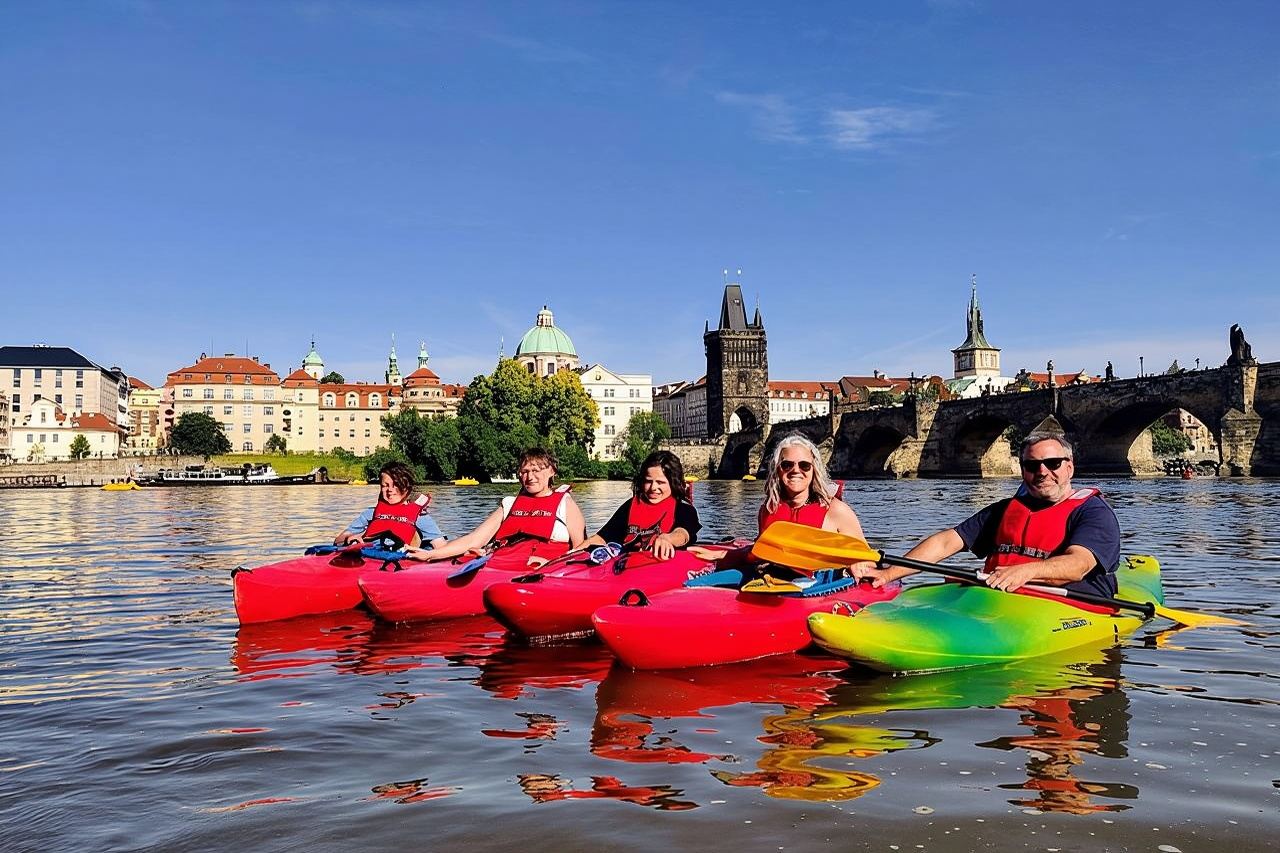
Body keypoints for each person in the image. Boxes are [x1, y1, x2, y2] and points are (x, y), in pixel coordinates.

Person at [853, 433, 1120, 597]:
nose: (1042, 472)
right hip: (998, 595)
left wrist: (1025, 572)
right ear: (1023, 470)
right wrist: (888, 574)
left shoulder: (1093, 511)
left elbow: (1079, 564)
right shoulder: (1005, 510)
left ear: (1069, 468)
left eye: (1052, 464)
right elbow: (946, 542)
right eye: (1032, 465)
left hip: (1067, 601)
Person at [689, 434, 864, 567]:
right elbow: (759, 551)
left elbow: (865, 558)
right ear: (777, 470)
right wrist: (721, 555)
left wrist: (860, 567)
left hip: (820, 588)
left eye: (804, 465)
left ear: (814, 470)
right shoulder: (769, 509)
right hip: (772, 583)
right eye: (787, 465)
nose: (796, 470)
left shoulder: (836, 511)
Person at [405, 447, 586, 566]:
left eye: (536, 471)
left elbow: (580, 549)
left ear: (551, 471)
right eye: (524, 471)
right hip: (501, 564)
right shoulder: (509, 504)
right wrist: (430, 555)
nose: (530, 477)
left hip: (545, 568)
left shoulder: (565, 503)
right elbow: (474, 539)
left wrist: (553, 564)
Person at [578, 450, 701, 561]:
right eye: (648, 481)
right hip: (630, 566)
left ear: (673, 483)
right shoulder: (631, 506)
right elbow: (602, 538)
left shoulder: (685, 509)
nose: (653, 488)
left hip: (667, 567)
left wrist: (667, 539)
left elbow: (683, 534)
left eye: (660, 482)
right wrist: (574, 552)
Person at [334, 460, 447, 551]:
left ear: (407, 487)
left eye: (396, 485)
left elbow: (441, 547)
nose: (390, 490)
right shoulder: (369, 514)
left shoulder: (421, 517)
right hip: (368, 558)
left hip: (400, 561)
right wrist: (349, 539)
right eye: (385, 485)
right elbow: (338, 541)